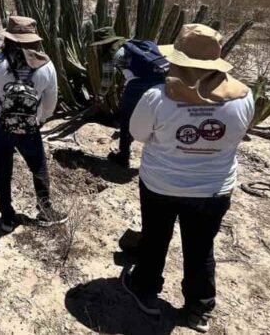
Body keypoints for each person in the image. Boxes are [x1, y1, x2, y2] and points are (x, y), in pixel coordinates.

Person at [121, 24, 255, 332]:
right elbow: (239, 134)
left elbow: (137, 133)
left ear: (179, 61)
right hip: (213, 189)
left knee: (155, 238)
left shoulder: (157, 97)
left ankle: (145, 290)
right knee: (200, 246)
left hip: (161, 185)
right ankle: (199, 307)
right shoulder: (243, 97)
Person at [0, 15, 66, 232]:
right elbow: (51, 100)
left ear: (9, 38)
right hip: (29, 125)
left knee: (3, 170)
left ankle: (6, 217)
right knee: (38, 167)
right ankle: (45, 211)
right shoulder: (47, 65)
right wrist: (41, 118)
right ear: (34, 40)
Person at [107, 39, 169, 168]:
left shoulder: (112, 53)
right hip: (162, 80)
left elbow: (106, 79)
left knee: (127, 118)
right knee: (157, 118)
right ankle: (160, 158)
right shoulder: (136, 44)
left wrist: (100, 95)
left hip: (138, 84)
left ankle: (123, 156)